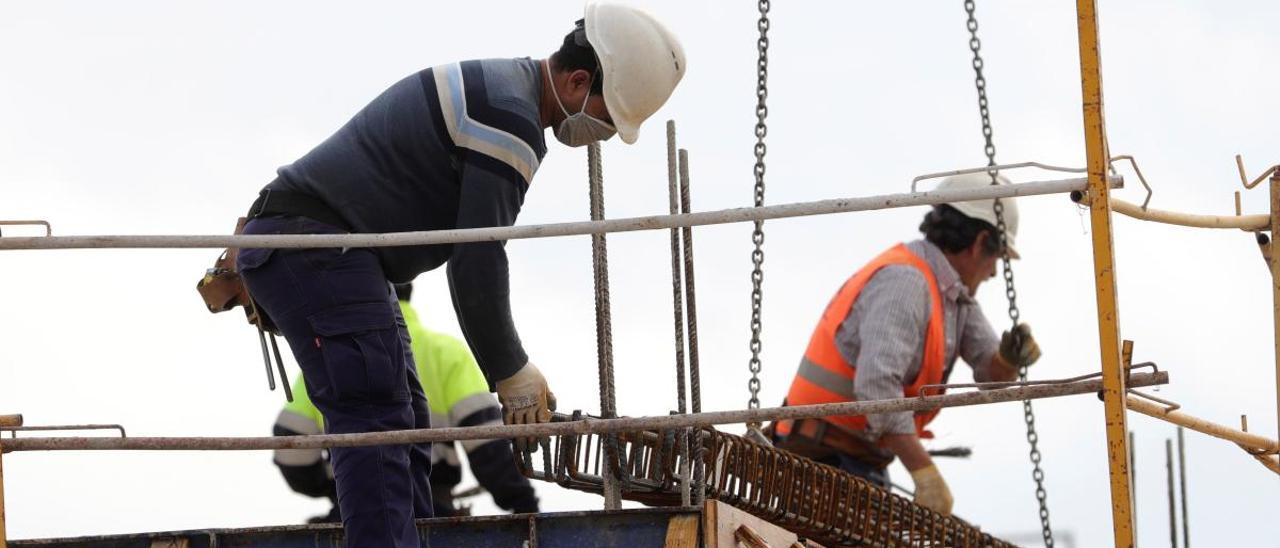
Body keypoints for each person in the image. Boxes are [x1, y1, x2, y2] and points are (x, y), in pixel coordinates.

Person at [234, 2, 685, 545]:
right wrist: (510, 370)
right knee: (377, 418)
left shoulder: (502, 89)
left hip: (329, 251)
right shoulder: (508, 117)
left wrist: (511, 367)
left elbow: (475, 252)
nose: (603, 136)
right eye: (607, 120)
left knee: (409, 416)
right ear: (578, 80)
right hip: (315, 246)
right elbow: (476, 259)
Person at [770, 173, 1043, 517]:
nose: (992, 273)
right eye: (998, 259)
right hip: (814, 458)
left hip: (857, 459)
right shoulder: (906, 283)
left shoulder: (954, 296)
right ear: (980, 243)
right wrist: (924, 472)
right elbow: (877, 387)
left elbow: (990, 373)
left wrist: (1008, 359)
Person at [272, 283, 539, 522]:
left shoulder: (327, 355)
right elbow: (487, 445)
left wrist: (332, 489)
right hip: (430, 507)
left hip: (352, 508)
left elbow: (291, 450)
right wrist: (522, 503)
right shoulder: (446, 352)